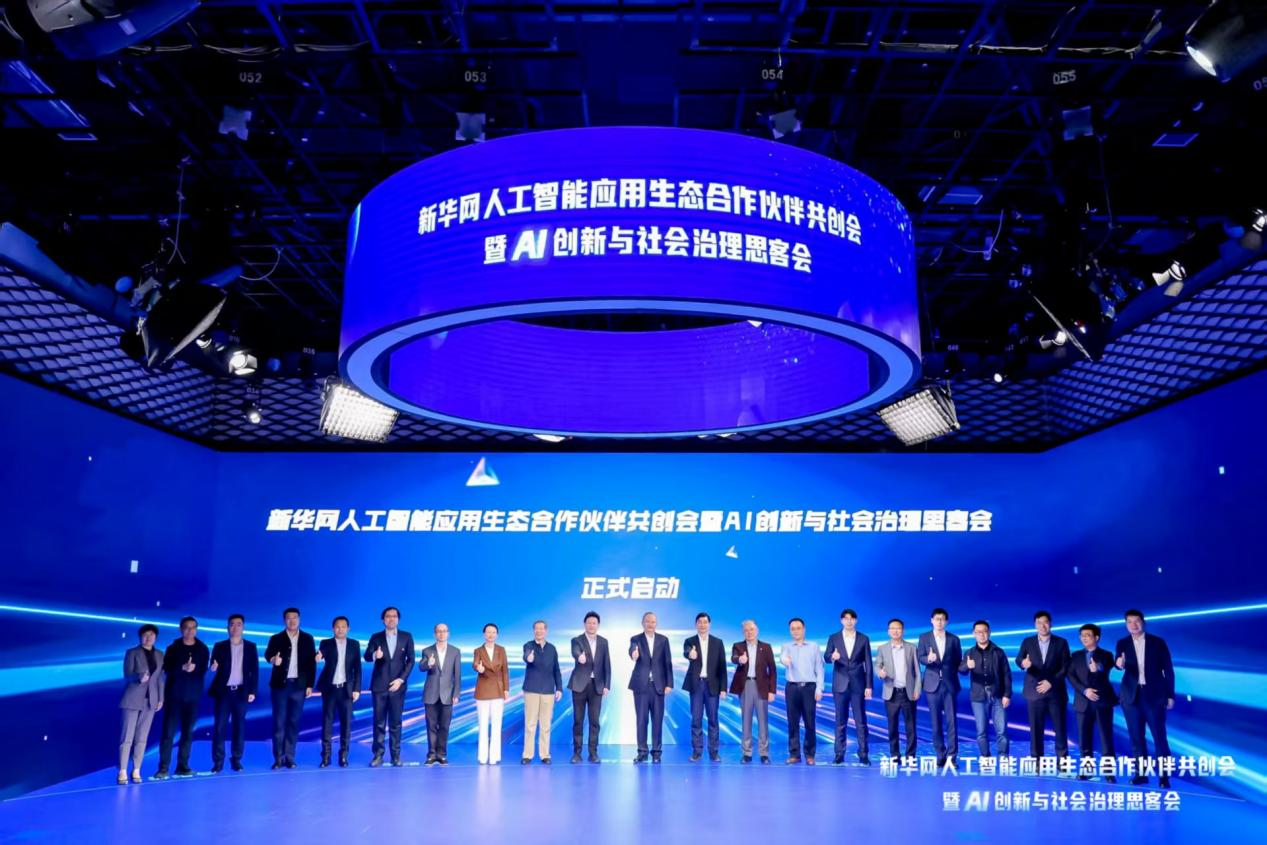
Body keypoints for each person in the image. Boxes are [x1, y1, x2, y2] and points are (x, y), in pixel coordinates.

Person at [1114, 609, 1175, 788]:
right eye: (1129, 622)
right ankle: (1141, 774)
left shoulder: (1158, 642)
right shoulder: (1122, 643)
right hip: (1131, 697)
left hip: (1154, 696)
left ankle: (1164, 777)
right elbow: (1118, 663)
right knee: (1136, 738)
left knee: (1159, 737)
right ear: (1126, 624)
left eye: (1137, 621)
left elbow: (1168, 670)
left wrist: (1170, 695)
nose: (1133, 625)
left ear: (1143, 622)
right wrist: (1119, 664)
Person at [155, 616, 209, 778]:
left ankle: (183, 766)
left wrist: (194, 668)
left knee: (187, 733)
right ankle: (163, 768)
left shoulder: (202, 648)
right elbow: (167, 669)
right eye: (187, 627)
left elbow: (202, 670)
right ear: (181, 629)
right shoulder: (173, 648)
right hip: (174, 697)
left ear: (196, 630)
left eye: (193, 628)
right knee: (168, 734)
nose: (190, 630)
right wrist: (182, 668)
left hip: (192, 698)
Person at [264, 607, 316, 769]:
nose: (292, 620)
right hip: (280, 686)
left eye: (295, 617)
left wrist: (310, 685)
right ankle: (278, 758)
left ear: (299, 619)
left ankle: (290, 757)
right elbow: (267, 654)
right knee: (279, 723)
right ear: (284, 620)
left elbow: (311, 664)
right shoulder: (276, 638)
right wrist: (273, 659)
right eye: (288, 617)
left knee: (294, 723)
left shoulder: (308, 638)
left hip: (299, 687)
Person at [1016, 610, 1071, 764]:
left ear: (1050, 624)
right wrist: (1023, 663)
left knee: (1060, 728)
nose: (1042, 626)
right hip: (1034, 692)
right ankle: (1037, 761)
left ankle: (1063, 762)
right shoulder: (1028, 642)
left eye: (1045, 622)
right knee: (1036, 729)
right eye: (1039, 623)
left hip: (1056, 693)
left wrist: (1051, 682)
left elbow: (1066, 666)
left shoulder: (1061, 642)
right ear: (1035, 625)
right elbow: (1019, 659)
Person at [363, 606, 414, 767]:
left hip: (398, 687)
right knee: (378, 722)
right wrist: (374, 655)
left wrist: (401, 680)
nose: (391, 619)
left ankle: (395, 756)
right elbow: (366, 656)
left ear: (398, 619)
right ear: (383, 620)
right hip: (379, 686)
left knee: (395, 722)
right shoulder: (376, 637)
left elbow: (411, 660)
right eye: (388, 616)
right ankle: (378, 755)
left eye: (394, 616)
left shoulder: (406, 637)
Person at [208, 614, 258, 773]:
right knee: (219, 727)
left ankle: (236, 759)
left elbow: (254, 670)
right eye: (232, 624)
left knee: (239, 727)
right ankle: (218, 761)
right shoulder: (219, 646)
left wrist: (253, 691)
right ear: (227, 627)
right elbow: (213, 665)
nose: (235, 627)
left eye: (238, 624)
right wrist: (213, 667)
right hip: (223, 692)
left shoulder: (251, 647)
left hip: (242, 692)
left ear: (243, 627)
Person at [1068, 623, 1117, 782]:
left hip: (1102, 702)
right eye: (1082, 636)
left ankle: (1109, 772)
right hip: (1083, 702)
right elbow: (1071, 677)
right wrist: (1084, 691)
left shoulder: (1106, 655)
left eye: (1088, 635)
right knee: (1084, 738)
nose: (1084, 638)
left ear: (1096, 637)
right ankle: (1087, 769)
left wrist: (1097, 669)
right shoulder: (1075, 656)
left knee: (1106, 737)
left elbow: (1105, 668)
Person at [824, 608, 873, 766]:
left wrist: (869, 685)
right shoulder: (834, 638)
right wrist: (832, 656)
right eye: (846, 618)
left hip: (858, 684)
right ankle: (839, 754)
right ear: (841, 621)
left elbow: (868, 663)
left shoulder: (863, 639)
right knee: (840, 721)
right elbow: (826, 657)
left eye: (851, 618)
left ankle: (863, 754)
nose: (849, 621)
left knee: (861, 721)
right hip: (840, 685)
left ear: (855, 620)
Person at [118, 624, 164, 784]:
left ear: (155, 637)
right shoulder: (132, 652)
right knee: (127, 737)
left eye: (151, 635)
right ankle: (123, 770)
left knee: (142, 737)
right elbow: (127, 675)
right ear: (140, 637)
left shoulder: (160, 654)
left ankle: (136, 769)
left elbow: (160, 678)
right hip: (132, 699)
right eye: (145, 635)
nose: (148, 637)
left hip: (150, 700)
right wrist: (139, 678)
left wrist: (161, 698)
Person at [918, 608, 962, 768]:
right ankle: (940, 755)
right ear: (932, 620)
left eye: (942, 619)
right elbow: (920, 657)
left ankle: (952, 757)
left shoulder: (954, 639)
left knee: (952, 722)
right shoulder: (924, 637)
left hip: (949, 684)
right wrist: (928, 659)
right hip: (932, 685)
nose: (939, 622)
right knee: (935, 722)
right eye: (937, 619)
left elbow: (958, 661)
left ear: (947, 622)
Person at [316, 616, 361, 768]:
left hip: (346, 690)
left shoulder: (354, 644)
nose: (340, 629)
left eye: (343, 627)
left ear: (348, 629)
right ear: (333, 628)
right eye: (337, 626)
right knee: (327, 723)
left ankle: (343, 756)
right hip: (329, 689)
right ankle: (326, 756)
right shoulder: (326, 643)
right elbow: (319, 655)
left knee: (346, 724)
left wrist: (357, 689)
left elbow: (357, 668)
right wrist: (317, 657)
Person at [961, 620, 1011, 757]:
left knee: (1001, 730)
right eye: (978, 632)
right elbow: (961, 670)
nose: (981, 634)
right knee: (981, 731)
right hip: (978, 697)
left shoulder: (998, 652)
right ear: (973, 634)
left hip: (998, 695)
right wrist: (967, 666)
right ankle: (985, 757)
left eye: (984, 631)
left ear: (989, 633)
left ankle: (1003, 757)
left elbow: (1006, 674)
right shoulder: (969, 652)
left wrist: (1007, 695)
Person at [628, 611, 673, 763]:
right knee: (641, 720)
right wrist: (633, 654)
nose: (650, 624)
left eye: (653, 622)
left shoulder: (663, 640)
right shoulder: (636, 639)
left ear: (656, 623)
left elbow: (668, 663)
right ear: (643, 623)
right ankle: (642, 752)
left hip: (658, 686)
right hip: (641, 686)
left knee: (657, 721)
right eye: (647, 621)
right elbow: (632, 649)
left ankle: (657, 753)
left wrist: (669, 684)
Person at [682, 612, 727, 762]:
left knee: (713, 719)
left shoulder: (717, 642)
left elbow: (722, 667)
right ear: (696, 624)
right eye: (699, 622)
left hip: (712, 685)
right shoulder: (690, 641)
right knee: (696, 719)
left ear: (709, 624)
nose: (702, 625)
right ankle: (697, 751)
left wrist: (723, 688)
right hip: (696, 685)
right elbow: (686, 652)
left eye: (705, 622)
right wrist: (690, 654)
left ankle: (714, 752)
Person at [730, 619, 776, 764]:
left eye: (751, 629)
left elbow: (772, 670)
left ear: (757, 631)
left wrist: (772, 691)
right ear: (743, 632)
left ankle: (764, 753)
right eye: (746, 630)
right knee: (746, 720)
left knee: (763, 720)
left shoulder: (766, 647)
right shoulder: (738, 646)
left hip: (762, 686)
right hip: (745, 686)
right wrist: (740, 659)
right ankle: (747, 753)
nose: (749, 632)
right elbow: (733, 658)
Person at [875, 618, 922, 760]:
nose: (895, 631)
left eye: (898, 628)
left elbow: (917, 671)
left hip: (908, 692)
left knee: (910, 726)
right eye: (893, 628)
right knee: (892, 726)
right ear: (888, 631)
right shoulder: (882, 648)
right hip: (891, 692)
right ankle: (895, 754)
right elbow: (877, 665)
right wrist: (880, 673)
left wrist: (917, 688)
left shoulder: (911, 648)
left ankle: (910, 755)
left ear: (903, 631)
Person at [568, 611, 610, 763]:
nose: (591, 625)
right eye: (589, 623)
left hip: (597, 686)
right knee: (578, 720)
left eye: (594, 623)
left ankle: (593, 752)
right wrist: (579, 656)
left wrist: (607, 684)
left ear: (598, 625)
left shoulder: (603, 642)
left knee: (594, 721)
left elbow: (607, 664)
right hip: (579, 685)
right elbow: (575, 651)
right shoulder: (577, 640)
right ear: (584, 624)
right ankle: (577, 753)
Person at [780, 617, 823, 765]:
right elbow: (783, 658)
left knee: (810, 722)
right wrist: (785, 661)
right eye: (792, 629)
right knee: (792, 722)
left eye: (798, 628)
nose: (796, 631)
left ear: (804, 629)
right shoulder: (786, 646)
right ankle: (795, 754)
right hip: (792, 688)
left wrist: (819, 688)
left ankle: (810, 755)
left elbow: (819, 668)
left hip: (809, 688)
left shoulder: (814, 646)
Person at [521, 620, 563, 764]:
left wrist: (559, 688)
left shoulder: (552, 648)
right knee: (530, 724)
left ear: (546, 631)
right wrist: (529, 658)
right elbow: (526, 655)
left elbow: (556, 669)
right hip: (531, 690)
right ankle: (527, 754)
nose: (539, 631)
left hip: (548, 691)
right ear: (534, 631)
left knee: (545, 725)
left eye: (541, 628)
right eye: (536, 629)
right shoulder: (528, 645)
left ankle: (545, 755)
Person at [420, 622, 461, 766]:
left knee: (444, 726)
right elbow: (421, 667)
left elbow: (457, 674)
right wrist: (429, 664)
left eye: (444, 631)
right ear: (435, 634)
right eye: (439, 631)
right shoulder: (427, 650)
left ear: (448, 633)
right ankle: (431, 754)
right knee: (431, 726)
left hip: (448, 694)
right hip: (431, 694)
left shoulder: (455, 651)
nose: (442, 633)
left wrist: (456, 693)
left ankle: (442, 754)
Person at [473, 623, 510, 765]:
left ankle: (494, 756)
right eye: (488, 632)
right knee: (483, 725)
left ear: (497, 635)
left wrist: (506, 689)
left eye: (493, 632)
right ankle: (482, 756)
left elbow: (505, 670)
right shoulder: (478, 650)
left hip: (498, 690)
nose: (491, 634)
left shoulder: (501, 650)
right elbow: (475, 664)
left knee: (496, 725)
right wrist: (479, 668)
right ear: (484, 634)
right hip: (483, 690)